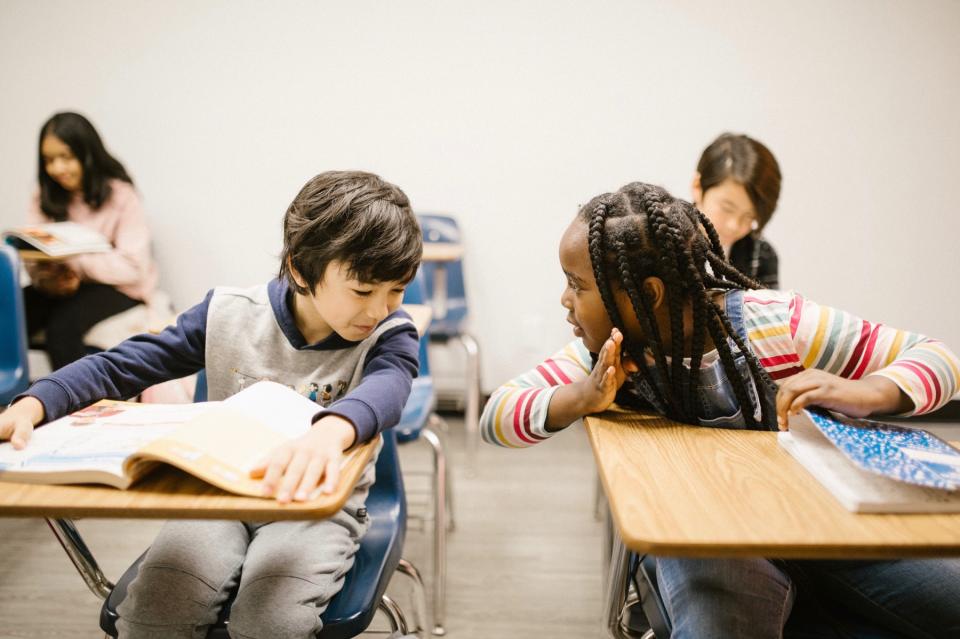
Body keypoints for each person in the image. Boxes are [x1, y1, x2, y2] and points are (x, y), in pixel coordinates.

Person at [480, 181, 960, 638]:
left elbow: (940, 359)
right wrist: (580, 398)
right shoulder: (602, 357)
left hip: (825, 530)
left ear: (646, 295)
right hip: (709, 543)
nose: (564, 300)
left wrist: (871, 391)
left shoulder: (773, 323)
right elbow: (496, 416)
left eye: (576, 284)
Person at [0, 170, 423, 638]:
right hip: (216, 499)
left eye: (397, 290)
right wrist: (37, 402)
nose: (380, 309)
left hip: (315, 509)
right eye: (363, 291)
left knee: (271, 624)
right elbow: (120, 366)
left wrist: (331, 430)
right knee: (152, 618)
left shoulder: (390, 333)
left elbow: (389, 385)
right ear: (302, 269)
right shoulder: (229, 313)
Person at [23, 111, 159, 370]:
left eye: (66, 157)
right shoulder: (43, 195)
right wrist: (48, 279)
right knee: (12, 312)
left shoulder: (122, 196)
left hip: (119, 288)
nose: (57, 169)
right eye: (49, 160)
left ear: (87, 154)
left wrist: (75, 264)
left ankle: (75, 403)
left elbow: (132, 267)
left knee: (63, 327)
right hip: (61, 285)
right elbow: (34, 254)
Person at [692, 132, 782, 288]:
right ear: (698, 187)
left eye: (750, 217)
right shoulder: (662, 238)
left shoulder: (760, 256)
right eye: (727, 208)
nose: (734, 225)